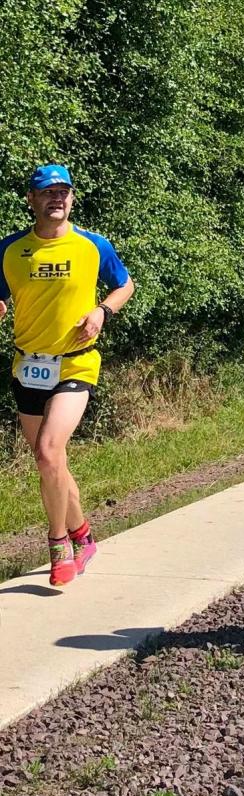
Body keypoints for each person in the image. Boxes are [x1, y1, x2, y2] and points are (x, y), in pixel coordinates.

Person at [0, 164, 134, 586]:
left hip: (77, 363)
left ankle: (59, 546)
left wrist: (102, 311)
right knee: (52, 463)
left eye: (63, 192)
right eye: (47, 192)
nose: (56, 198)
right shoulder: (9, 250)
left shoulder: (93, 245)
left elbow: (125, 285)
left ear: (72, 198)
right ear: (31, 199)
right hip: (28, 366)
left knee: (47, 451)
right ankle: (84, 537)